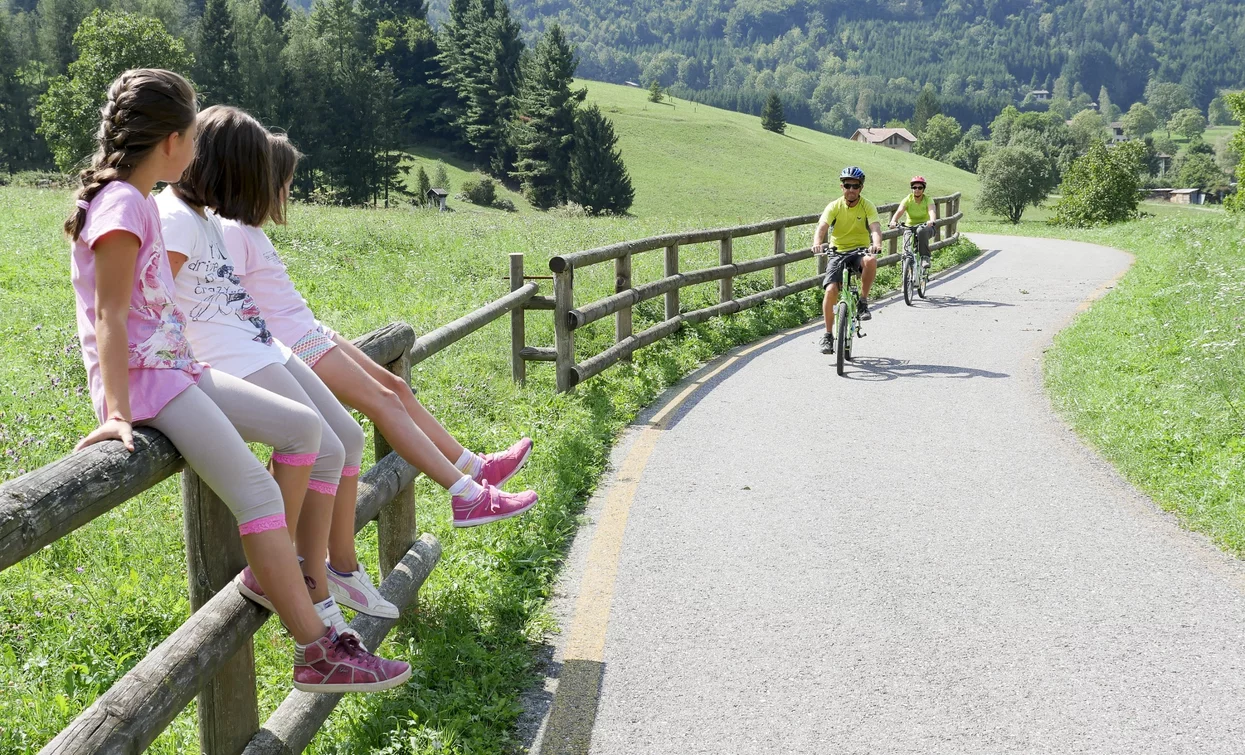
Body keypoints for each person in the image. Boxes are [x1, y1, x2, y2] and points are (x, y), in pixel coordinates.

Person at [67, 68, 408, 692]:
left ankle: (274, 573)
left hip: (175, 369)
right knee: (256, 492)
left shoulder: (138, 200)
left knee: (305, 430)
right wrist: (115, 411)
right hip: (148, 383)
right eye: (194, 134)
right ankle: (316, 649)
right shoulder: (121, 203)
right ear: (170, 141)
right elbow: (110, 314)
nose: (198, 148)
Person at [216, 130, 537, 546]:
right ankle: (466, 495)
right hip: (293, 344)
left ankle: (475, 467)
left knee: (395, 387)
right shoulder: (232, 231)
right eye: (285, 181)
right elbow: (231, 304)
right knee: (383, 402)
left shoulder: (246, 230)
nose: (288, 191)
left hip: (308, 331)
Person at [156, 105, 373, 640]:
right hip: (231, 358)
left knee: (341, 439)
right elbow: (156, 308)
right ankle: (304, 580)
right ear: (232, 169)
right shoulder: (176, 218)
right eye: (256, 171)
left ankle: (311, 573)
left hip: (256, 347)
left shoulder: (202, 217)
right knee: (317, 441)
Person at [813, 166, 883, 355]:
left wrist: (876, 244)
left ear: (861, 188)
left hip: (859, 250)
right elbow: (822, 227)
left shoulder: (867, 205)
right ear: (841, 187)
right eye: (847, 185)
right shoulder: (834, 206)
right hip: (837, 251)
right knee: (831, 290)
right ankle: (828, 335)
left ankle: (862, 301)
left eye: (855, 186)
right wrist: (818, 243)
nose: (851, 189)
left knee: (870, 261)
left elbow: (875, 228)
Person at [888, 175, 938, 269]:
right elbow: (899, 211)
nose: (917, 190)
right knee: (906, 241)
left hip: (926, 226)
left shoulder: (928, 199)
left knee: (920, 231)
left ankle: (925, 257)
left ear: (923, 189)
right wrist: (893, 221)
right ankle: (906, 265)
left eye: (920, 187)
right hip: (910, 226)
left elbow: (932, 210)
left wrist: (932, 220)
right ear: (912, 188)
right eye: (914, 187)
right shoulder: (908, 199)